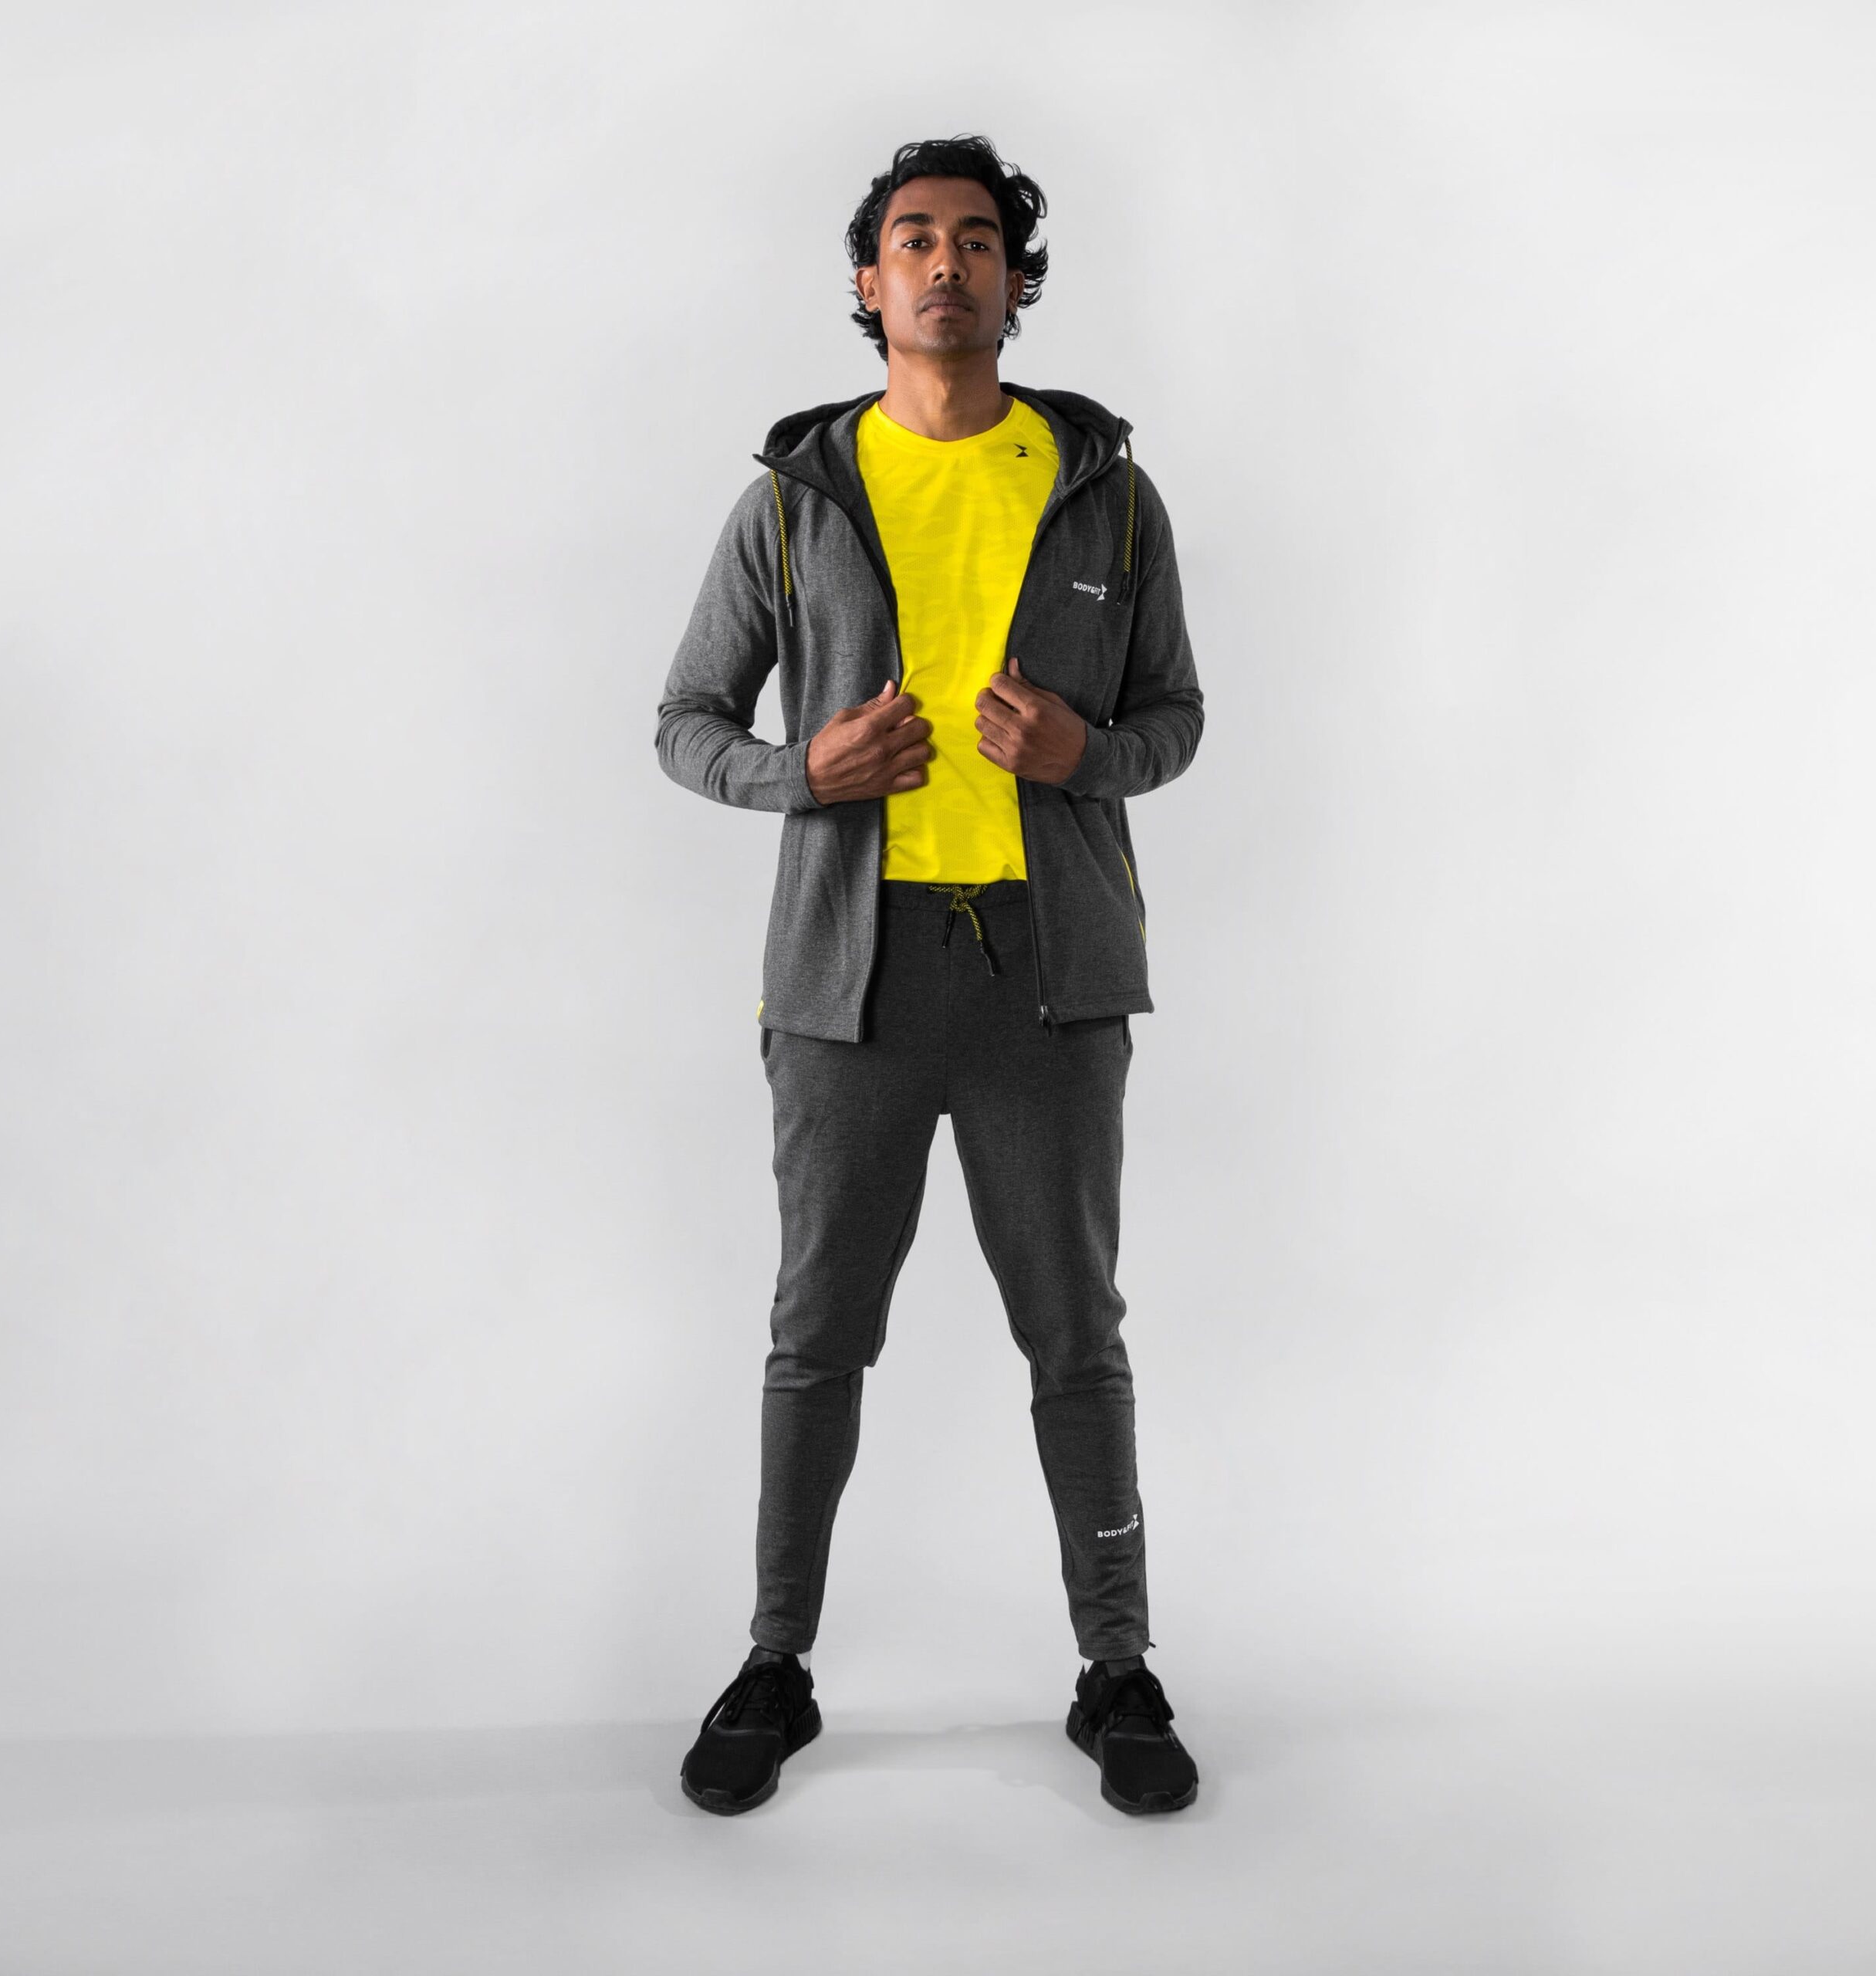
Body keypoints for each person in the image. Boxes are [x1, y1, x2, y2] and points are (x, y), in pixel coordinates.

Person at [655, 135, 1205, 1816]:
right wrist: (802, 772)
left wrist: (1084, 752)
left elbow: (1175, 718)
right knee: (816, 1333)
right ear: (867, 281)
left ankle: (1116, 1669)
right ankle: (775, 1661)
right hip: (851, 982)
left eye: (976, 240)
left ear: (1016, 283)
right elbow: (685, 722)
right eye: (913, 239)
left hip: (1051, 978)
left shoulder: (1105, 491)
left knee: (1076, 1338)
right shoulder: (795, 496)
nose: (945, 264)